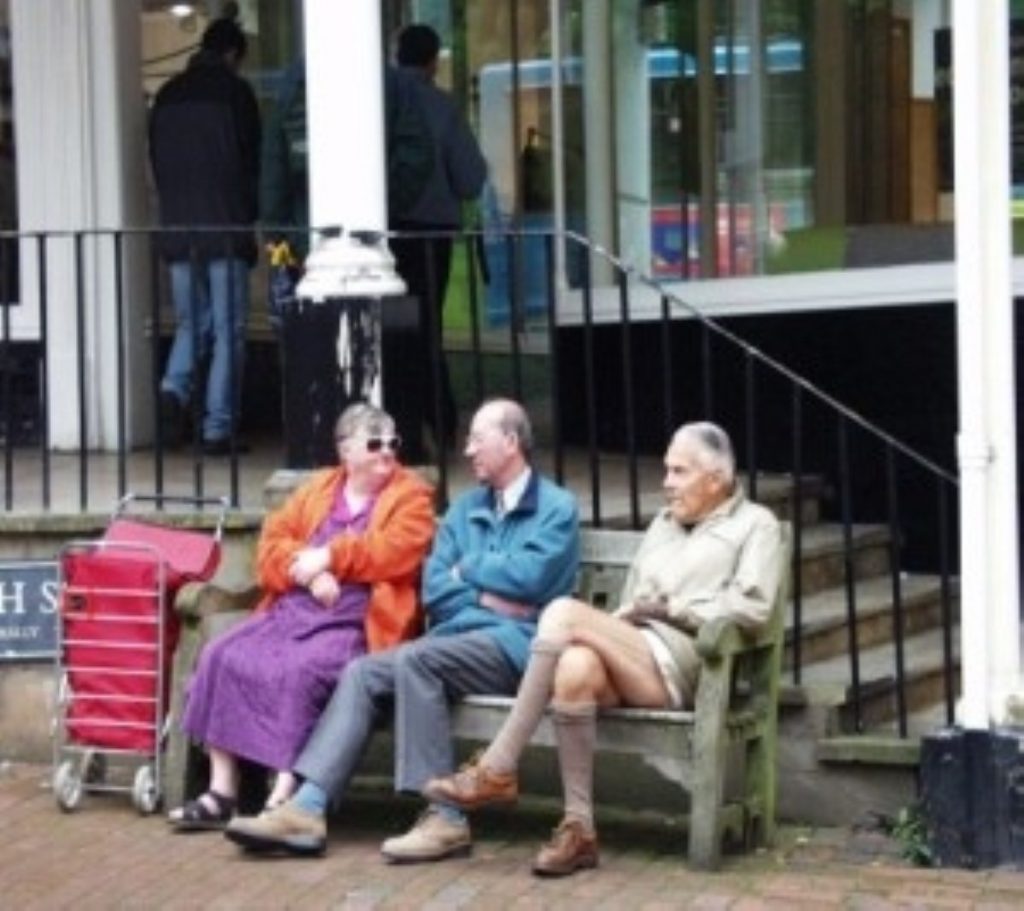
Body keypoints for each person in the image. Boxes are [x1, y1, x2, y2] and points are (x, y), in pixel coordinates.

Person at [223, 398, 580, 861]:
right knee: (364, 672)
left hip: (515, 646)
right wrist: (489, 594)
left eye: (476, 439)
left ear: (511, 443)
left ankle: (445, 818)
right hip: (452, 640)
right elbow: (435, 588)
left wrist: (468, 570)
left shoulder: (557, 508)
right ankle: (307, 808)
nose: (467, 450)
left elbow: (533, 579)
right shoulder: (464, 510)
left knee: (416, 659)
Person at [422, 421, 783, 877]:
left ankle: (499, 765)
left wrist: (675, 608)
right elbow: (634, 597)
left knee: (561, 612)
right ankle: (579, 830)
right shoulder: (665, 524)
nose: (666, 483)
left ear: (715, 479)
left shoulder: (756, 525)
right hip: (638, 652)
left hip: (694, 661)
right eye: (667, 470)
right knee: (574, 666)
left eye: (679, 472)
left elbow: (752, 607)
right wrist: (620, 620)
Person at [167, 403, 435, 831]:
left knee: (299, 672)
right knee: (221, 654)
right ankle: (223, 790)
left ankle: (286, 792)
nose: (387, 450)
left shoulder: (412, 495)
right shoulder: (317, 490)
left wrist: (331, 556)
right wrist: (309, 576)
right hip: (293, 610)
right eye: (374, 442)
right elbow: (271, 546)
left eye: (393, 442)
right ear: (346, 450)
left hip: (355, 621)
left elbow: (397, 553)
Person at [149, 14, 261, 456]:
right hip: (225, 227)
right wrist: (250, 216)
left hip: (178, 228)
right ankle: (217, 427)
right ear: (233, 55)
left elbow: (156, 161)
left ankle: (172, 391)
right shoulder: (236, 93)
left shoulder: (168, 94)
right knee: (229, 330)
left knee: (192, 322)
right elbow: (250, 162)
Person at [386, 24, 488, 463]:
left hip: (387, 235)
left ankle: (404, 421)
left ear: (396, 56)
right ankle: (438, 418)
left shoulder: (380, 102)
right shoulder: (442, 107)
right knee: (426, 326)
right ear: (433, 61)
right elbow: (470, 178)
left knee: (395, 328)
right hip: (431, 235)